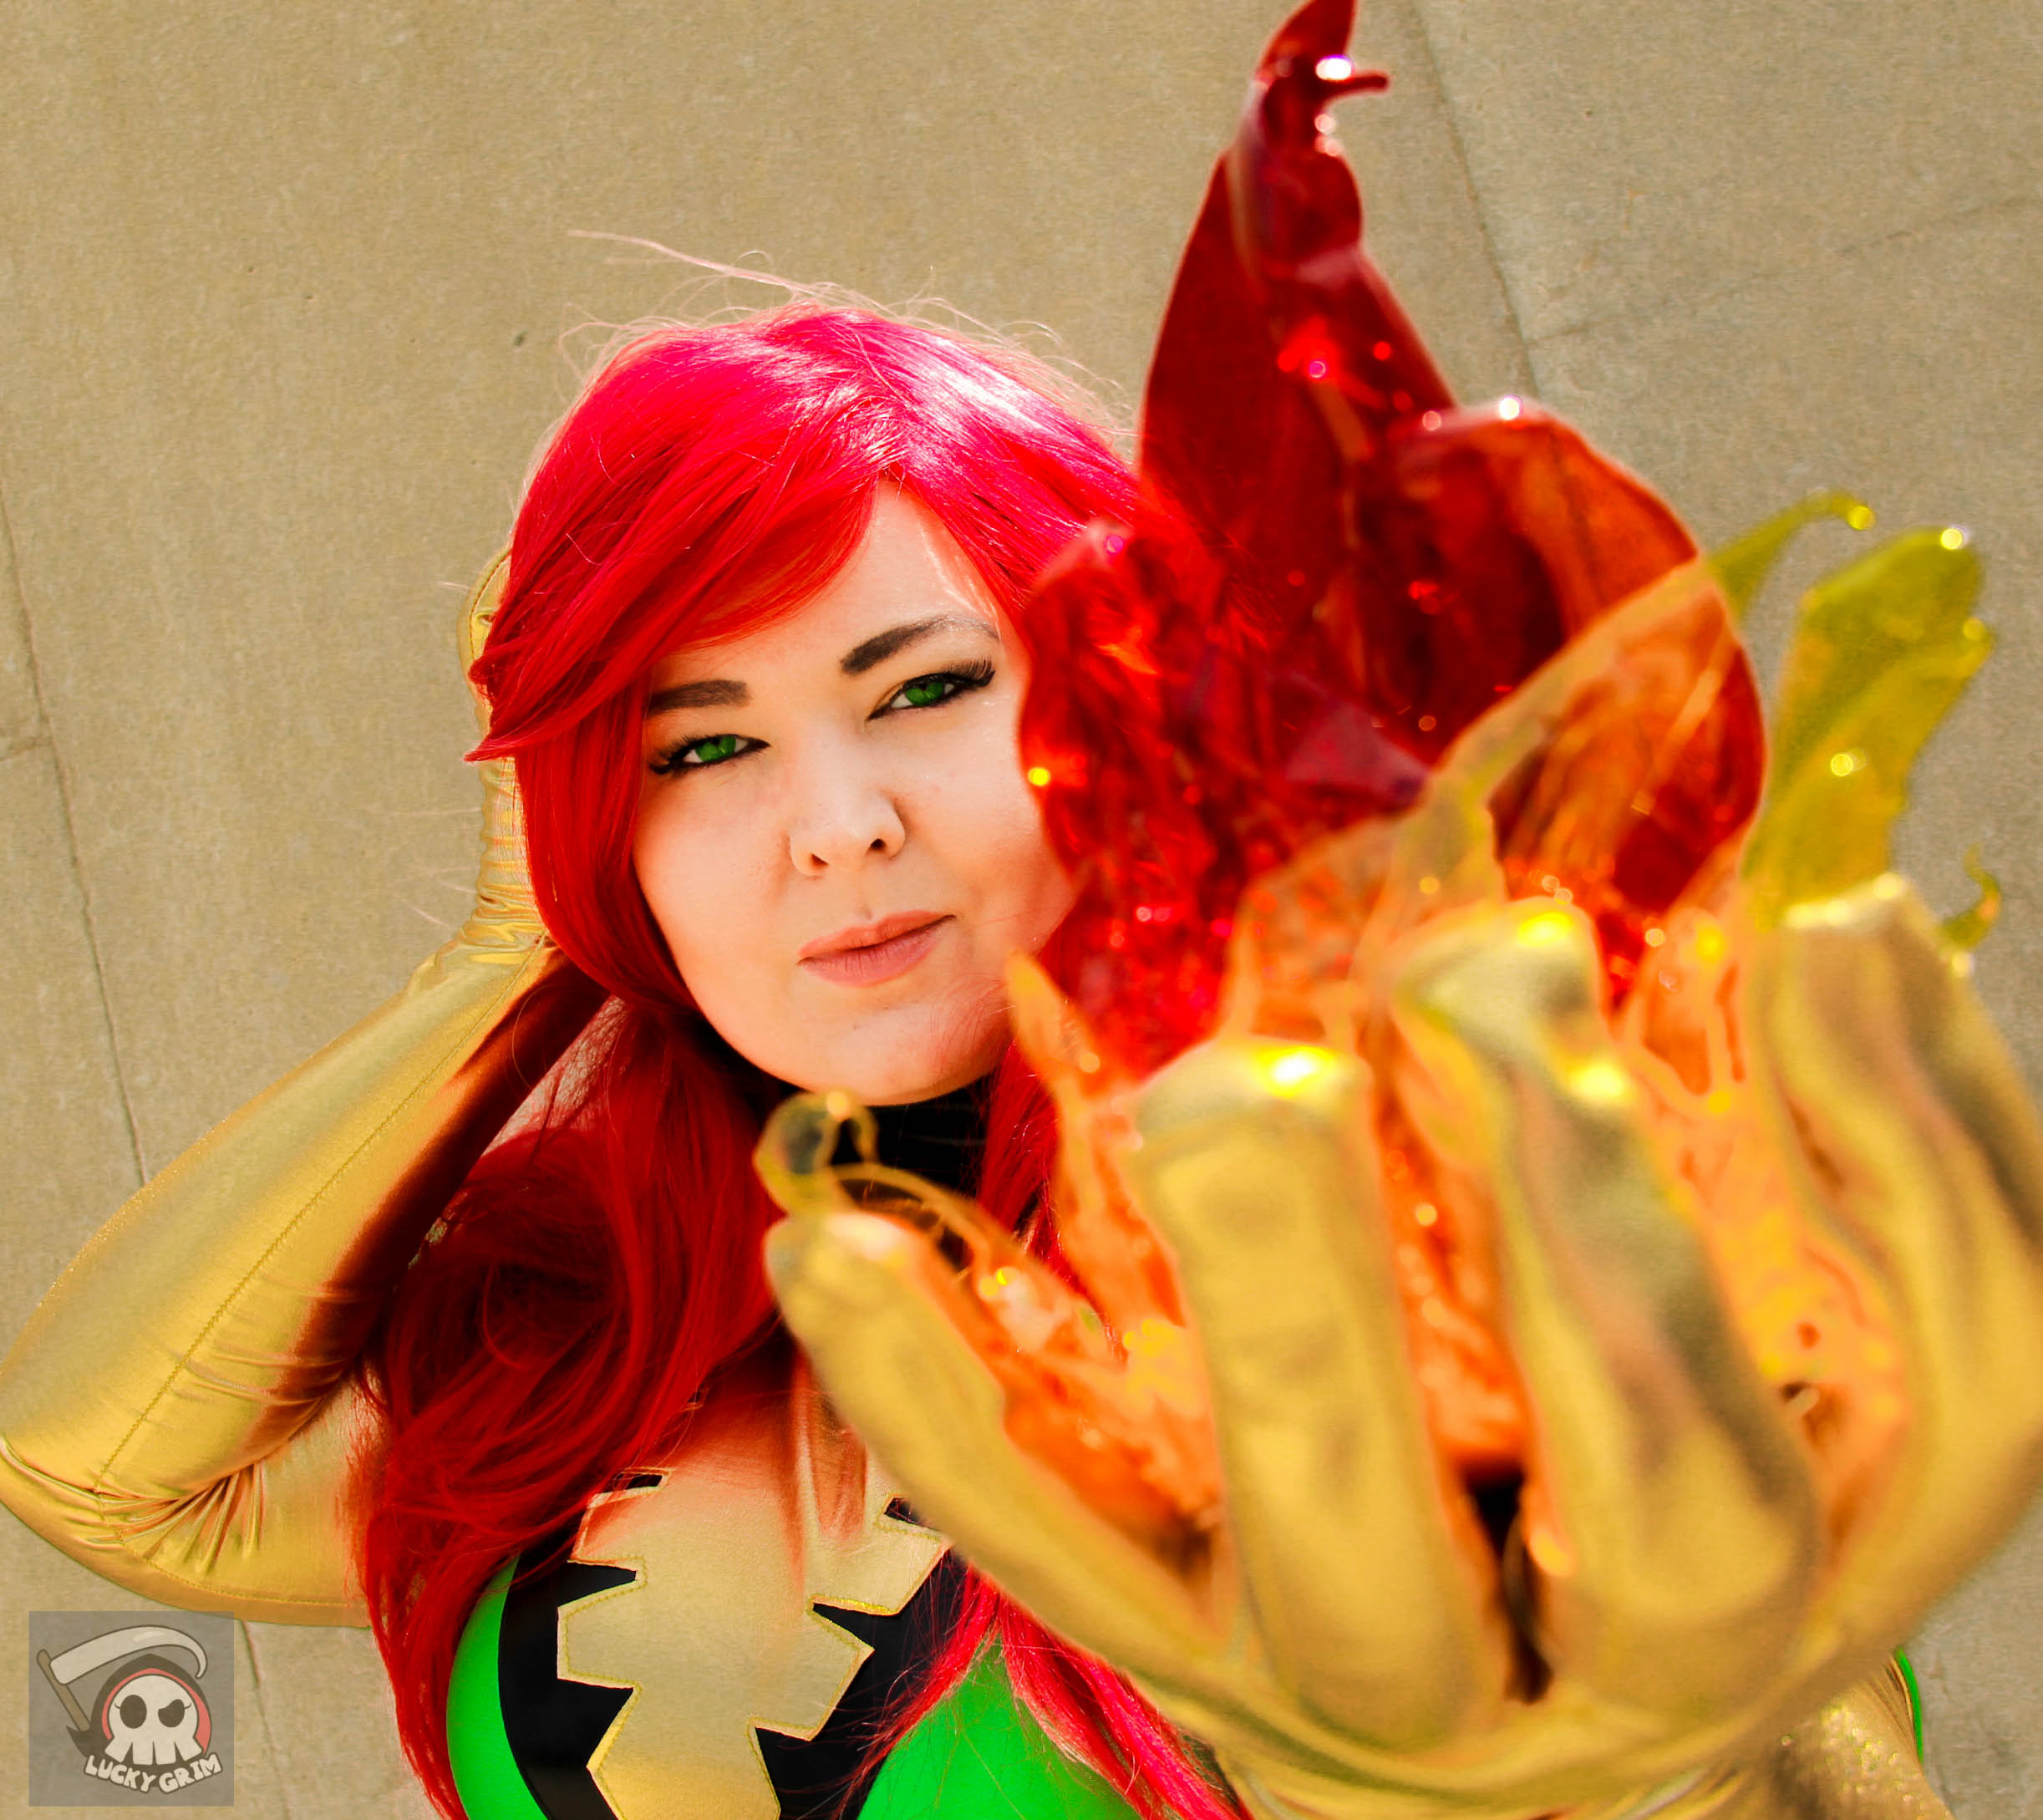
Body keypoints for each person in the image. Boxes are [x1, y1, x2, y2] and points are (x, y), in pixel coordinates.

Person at [3, 8, 2037, 1817]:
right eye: (700, 746)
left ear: (1133, 698)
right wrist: (512, 951)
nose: (834, 826)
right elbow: (101, 1477)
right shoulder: (588, 1346)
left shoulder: (1422, 1261)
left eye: (921, 692)